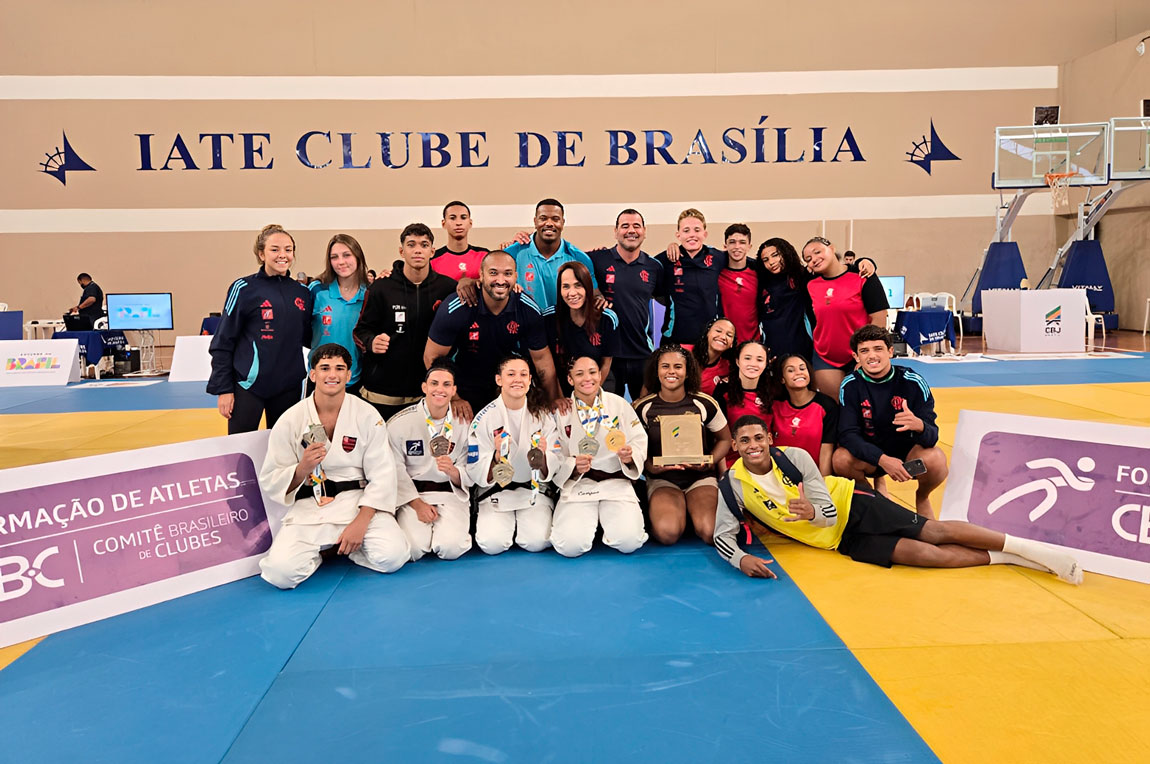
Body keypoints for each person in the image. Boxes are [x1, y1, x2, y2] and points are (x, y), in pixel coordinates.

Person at [714, 415, 1082, 585]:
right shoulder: (732, 484)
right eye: (744, 441)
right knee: (928, 556)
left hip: (851, 504)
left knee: (934, 532)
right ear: (734, 446)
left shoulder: (793, 457)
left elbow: (826, 510)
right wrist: (741, 559)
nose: (753, 446)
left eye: (758, 438)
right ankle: (1006, 557)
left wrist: (812, 512)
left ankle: (1031, 549)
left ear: (769, 438)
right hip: (839, 541)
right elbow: (722, 535)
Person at [256, 344, 409, 589]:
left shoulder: (368, 415)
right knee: (280, 574)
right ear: (312, 374)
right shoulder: (291, 419)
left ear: (349, 375)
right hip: (311, 506)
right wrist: (302, 468)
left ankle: (346, 548)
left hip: (357, 502)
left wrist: (361, 522)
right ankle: (324, 551)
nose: (332, 375)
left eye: (339, 368)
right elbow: (271, 477)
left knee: (393, 556)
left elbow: (383, 474)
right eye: (325, 368)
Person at [425, 250, 561, 419]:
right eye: (493, 273)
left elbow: (542, 362)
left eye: (508, 274)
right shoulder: (457, 307)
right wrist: (454, 398)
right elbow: (432, 357)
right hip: (466, 388)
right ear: (481, 275)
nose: (501, 280)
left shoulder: (528, 309)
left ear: (516, 276)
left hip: (509, 388)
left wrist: (554, 400)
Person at [834, 325, 948, 518]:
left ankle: (922, 497)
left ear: (890, 351)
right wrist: (883, 460)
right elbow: (847, 435)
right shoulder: (851, 385)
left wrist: (919, 425)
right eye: (864, 351)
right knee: (840, 460)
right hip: (873, 460)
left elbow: (932, 436)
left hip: (907, 460)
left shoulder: (912, 381)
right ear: (856, 357)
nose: (872, 356)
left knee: (936, 459)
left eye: (878, 349)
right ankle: (873, 499)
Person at [208, 224, 312, 434]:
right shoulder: (243, 288)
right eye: (275, 249)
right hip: (248, 387)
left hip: (288, 388)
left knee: (285, 448)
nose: (282, 255)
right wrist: (224, 388)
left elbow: (309, 337)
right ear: (261, 254)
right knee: (240, 449)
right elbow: (223, 341)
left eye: (288, 250)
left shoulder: (302, 292)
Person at [355, 223, 458, 420]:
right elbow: (361, 330)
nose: (418, 250)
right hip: (382, 393)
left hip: (427, 393)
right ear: (401, 251)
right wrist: (371, 342)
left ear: (432, 251)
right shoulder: (381, 288)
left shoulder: (448, 288)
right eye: (411, 245)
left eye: (424, 245)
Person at [550, 356, 649, 557]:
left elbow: (639, 439)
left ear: (600, 375)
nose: (587, 378)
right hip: (580, 484)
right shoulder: (562, 412)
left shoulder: (619, 404)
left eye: (592, 372)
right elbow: (553, 452)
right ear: (570, 379)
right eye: (579, 374)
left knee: (629, 541)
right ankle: (590, 525)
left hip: (615, 482)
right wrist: (572, 464)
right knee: (570, 546)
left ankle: (604, 524)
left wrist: (629, 456)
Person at [634, 345, 732, 545]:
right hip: (663, 480)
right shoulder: (643, 407)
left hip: (700, 478)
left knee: (711, 532)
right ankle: (674, 514)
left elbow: (725, 439)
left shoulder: (704, 403)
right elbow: (635, 447)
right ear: (656, 371)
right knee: (667, 534)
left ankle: (693, 513)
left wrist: (709, 462)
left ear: (688, 372)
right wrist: (650, 467)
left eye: (678, 366)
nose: (671, 371)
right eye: (665, 366)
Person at [466, 356, 560, 555]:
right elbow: (474, 467)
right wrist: (495, 457)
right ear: (499, 380)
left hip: (533, 489)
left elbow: (556, 457)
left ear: (530, 380)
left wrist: (543, 457)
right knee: (492, 545)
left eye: (523, 374)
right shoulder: (483, 418)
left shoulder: (543, 415)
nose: (518, 379)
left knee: (537, 542)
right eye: (511, 374)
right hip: (496, 491)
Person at [388, 361, 473, 561]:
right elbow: (394, 470)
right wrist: (417, 504)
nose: (440, 389)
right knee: (413, 549)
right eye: (434, 383)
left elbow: (472, 467)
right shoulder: (399, 423)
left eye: (446, 385)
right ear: (424, 387)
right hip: (414, 496)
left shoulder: (465, 423)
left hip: (451, 493)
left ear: (454, 390)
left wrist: (453, 471)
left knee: (451, 548)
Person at [587, 209, 662, 400]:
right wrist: (523, 242)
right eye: (625, 226)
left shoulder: (654, 267)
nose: (631, 230)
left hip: (642, 352)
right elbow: (564, 257)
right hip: (608, 354)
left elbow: (667, 299)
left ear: (644, 231)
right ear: (615, 231)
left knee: (644, 409)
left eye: (636, 226)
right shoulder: (597, 259)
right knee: (608, 410)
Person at [804, 236, 888, 395]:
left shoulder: (863, 275)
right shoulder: (810, 284)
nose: (814, 259)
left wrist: (867, 353)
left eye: (817, 252)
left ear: (832, 248)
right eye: (808, 259)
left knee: (863, 403)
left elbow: (879, 318)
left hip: (860, 354)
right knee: (834, 405)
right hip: (826, 355)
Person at [497, 198, 598, 312]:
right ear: (535, 221)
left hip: (562, 322)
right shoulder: (512, 253)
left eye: (555, 219)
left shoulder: (579, 258)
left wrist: (599, 300)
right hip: (524, 322)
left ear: (563, 223)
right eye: (543, 218)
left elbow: (594, 295)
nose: (549, 223)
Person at [544, 261, 620, 391]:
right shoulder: (549, 318)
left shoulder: (607, 318)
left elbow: (606, 363)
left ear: (588, 287)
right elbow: (546, 364)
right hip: (562, 388)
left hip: (597, 385)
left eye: (578, 285)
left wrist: (592, 394)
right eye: (566, 287)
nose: (572, 293)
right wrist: (558, 397)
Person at [309, 234, 368, 394]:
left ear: (358, 256)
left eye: (346, 255)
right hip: (320, 379)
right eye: (334, 257)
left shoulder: (369, 294)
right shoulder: (317, 290)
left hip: (356, 379)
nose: (341, 262)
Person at [658, 208, 727, 345]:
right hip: (675, 339)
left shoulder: (718, 257)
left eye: (697, 230)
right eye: (686, 230)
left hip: (710, 340)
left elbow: (744, 263)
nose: (692, 235)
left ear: (705, 234)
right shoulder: (666, 259)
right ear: (678, 235)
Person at [769, 353, 838, 476]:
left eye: (802, 368)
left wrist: (823, 482)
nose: (799, 373)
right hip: (779, 475)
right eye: (791, 370)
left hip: (813, 476)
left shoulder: (826, 405)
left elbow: (826, 451)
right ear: (782, 378)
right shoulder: (775, 405)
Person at [712, 340, 773, 467]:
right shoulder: (723, 391)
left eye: (759, 359)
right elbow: (718, 438)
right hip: (733, 464)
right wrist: (724, 473)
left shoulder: (773, 392)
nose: (753, 364)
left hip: (766, 463)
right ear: (737, 361)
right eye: (747, 358)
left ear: (766, 363)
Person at [718, 224, 760, 343]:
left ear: (749, 246)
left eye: (742, 242)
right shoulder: (717, 274)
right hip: (725, 342)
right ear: (725, 246)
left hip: (753, 342)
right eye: (732, 242)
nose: (737, 247)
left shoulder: (759, 274)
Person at [432, 200, 489, 281]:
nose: (458, 223)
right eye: (452, 218)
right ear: (443, 223)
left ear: (470, 223)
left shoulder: (484, 256)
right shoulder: (433, 259)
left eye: (463, 217)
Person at [689, 316, 737, 396]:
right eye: (718, 331)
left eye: (729, 335)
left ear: (731, 344)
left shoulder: (728, 368)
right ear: (707, 333)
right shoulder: (683, 352)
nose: (723, 337)